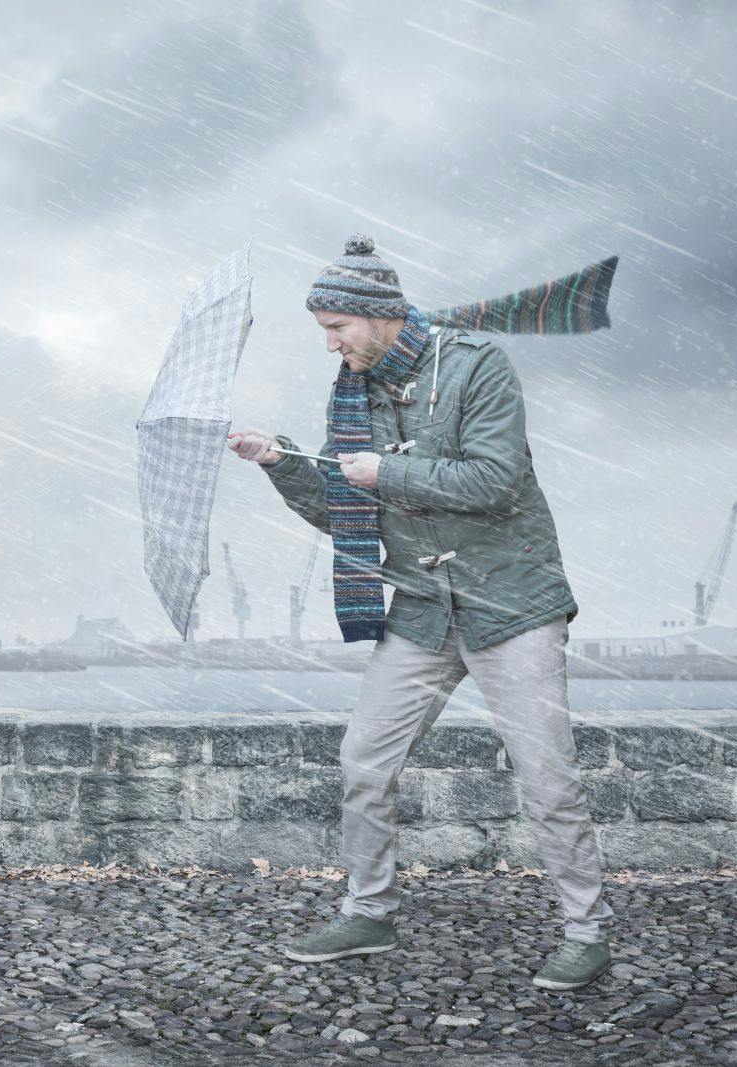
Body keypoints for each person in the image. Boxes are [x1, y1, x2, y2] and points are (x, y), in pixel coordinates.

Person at [226, 234, 616, 992]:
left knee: (547, 778)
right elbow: (346, 512)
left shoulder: (476, 364)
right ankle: (369, 910)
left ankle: (586, 931)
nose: (330, 346)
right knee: (364, 760)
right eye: (324, 331)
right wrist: (280, 461)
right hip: (423, 608)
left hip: (513, 602)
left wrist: (390, 468)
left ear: (379, 317)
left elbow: (497, 479)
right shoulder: (355, 389)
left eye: (337, 328)